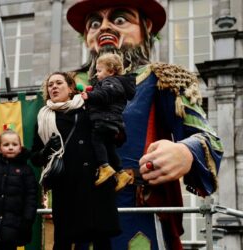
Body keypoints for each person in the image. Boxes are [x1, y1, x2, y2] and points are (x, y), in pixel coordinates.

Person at [66, 0, 224, 249]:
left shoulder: (163, 78)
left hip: (136, 212)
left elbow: (208, 138)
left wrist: (185, 152)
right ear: (87, 36)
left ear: (146, 27)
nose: (104, 28)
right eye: (94, 23)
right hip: (77, 210)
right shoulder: (66, 85)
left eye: (119, 20)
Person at [31, 71, 120, 250]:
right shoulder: (43, 119)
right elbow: (35, 158)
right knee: (63, 241)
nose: (53, 87)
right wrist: (48, 148)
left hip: (95, 185)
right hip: (66, 189)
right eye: (50, 85)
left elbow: (110, 140)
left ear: (71, 88)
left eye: (59, 83)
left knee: (101, 240)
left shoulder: (89, 110)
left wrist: (115, 169)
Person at [81, 53, 135, 189]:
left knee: (96, 140)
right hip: (111, 121)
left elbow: (105, 95)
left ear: (110, 71)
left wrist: (89, 95)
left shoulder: (110, 82)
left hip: (105, 120)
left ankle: (104, 167)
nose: (96, 75)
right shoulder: (115, 83)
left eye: (99, 71)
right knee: (110, 148)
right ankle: (121, 173)